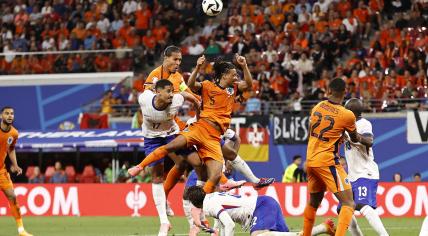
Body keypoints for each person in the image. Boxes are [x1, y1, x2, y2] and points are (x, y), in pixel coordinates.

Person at [129, 54, 253, 194]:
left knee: (196, 162)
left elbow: (187, 90)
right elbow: (187, 89)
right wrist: (194, 94)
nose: (178, 63)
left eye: (180, 60)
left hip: (213, 126)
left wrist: (196, 100)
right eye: (176, 59)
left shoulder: (179, 78)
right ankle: (220, 182)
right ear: (166, 58)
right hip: (194, 123)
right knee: (181, 151)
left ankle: (210, 187)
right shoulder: (157, 75)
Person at [302, 78, 372, 236]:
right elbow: (354, 139)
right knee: (348, 202)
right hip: (327, 161)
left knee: (314, 202)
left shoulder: (318, 107)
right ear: (345, 93)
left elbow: (311, 131)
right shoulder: (347, 115)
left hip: (311, 160)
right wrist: (358, 138)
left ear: (328, 91)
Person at [137, 79, 199, 236]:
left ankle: (200, 212)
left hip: (171, 134)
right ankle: (164, 222)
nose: (172, 94)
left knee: (196, 161)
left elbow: (186, 95)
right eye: (168, 91)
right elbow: (147, 91)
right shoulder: (144, 99)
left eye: (173, 91)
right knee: (157, 176)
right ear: (157, 92)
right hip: (152, 138)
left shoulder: (176, 100)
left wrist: (198, 105)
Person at [186, 185, 336, 236]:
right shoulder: (211, 197)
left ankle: (320, 228)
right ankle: (323, 228)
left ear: (194, 202)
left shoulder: (209, 205)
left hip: (261, 207)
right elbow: (223, 221)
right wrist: (215, 230)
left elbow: (230, 225)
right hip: (264, 204)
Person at [341, 98, 389, 236]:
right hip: (352, 175)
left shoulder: (363, 123)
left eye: (346, 110)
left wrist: (354, 136)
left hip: (365, 172)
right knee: (345, 209)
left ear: (352, 112)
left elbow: (369, 141)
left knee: (364, 206)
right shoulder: (347, 125)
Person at [0, 106, 33, 236]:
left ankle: (21, 230)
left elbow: (11, 149)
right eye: (7, 113)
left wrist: (15, 165)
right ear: (1, 116)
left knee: (12, 197)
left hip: (1, 171)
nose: (9, 116)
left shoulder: (14, 133)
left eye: (12, 114)